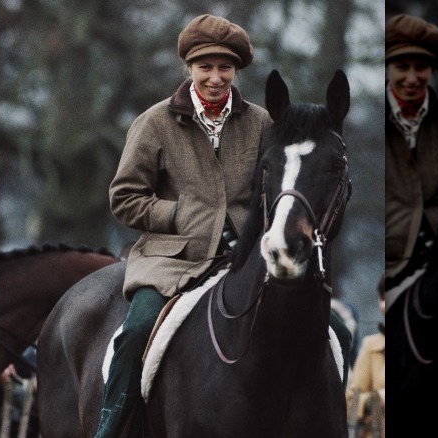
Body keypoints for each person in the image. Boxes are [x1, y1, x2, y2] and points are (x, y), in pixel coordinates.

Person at [98, 13, 272, 438]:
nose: (216, 78)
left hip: (245, 260)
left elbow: (273, 194)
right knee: (137, 330)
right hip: (171, 262)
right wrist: (177, 214)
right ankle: (110, 426)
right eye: (205, 67)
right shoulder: (154, 122)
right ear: (189, 69)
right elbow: (124, 199)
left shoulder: (262, 123)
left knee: (331, 330)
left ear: (236, 70)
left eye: (225, 67)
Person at [384, 13, 438, 291]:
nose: (411, 78)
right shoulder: (374, 122)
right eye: (402, 66)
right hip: (390, 261)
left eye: (421, 67)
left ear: (431, 70)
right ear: (387, 68)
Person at [346, 274, 386, 438]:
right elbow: (350, 405)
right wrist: (375, 401)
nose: (385, 304)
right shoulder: (371, 347)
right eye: (382, 297)